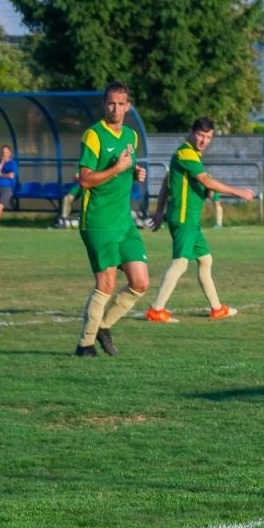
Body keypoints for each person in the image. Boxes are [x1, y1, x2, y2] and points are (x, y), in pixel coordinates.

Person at [144, 116, 257, 323]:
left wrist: (159, 211)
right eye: (200, 135)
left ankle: (217, 308)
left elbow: (166, 182)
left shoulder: (192, 155)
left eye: (208, 137)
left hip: (191, 220)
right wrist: (237, 191)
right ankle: (156, 309)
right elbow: (205, 180)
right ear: (191, 132)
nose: (204, 140)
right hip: (183, 218)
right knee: (180, 263)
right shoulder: (186, 152)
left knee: (205, 260)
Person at [73, 81, 149, 357]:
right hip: (99, 221)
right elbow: (85, 180)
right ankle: (85, 345)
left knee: (140, 282)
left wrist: (135, 173)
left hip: (123, 222)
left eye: (121, 104)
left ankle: (103, 326)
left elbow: (127, 167)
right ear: (104, 105)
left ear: (128, 106)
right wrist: (117, 168)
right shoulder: (94, 135)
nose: (115, 109)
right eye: (111, 103)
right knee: (105, 284)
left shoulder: (131, 136)